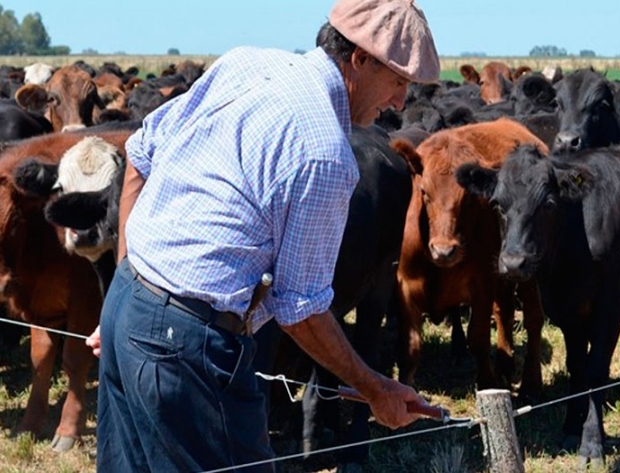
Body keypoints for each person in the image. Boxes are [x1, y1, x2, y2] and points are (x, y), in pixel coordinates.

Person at [86, 0, 440, 470]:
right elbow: (301, 310)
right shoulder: (325, 153)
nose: (400, 102)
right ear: (360, 59)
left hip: (128, 307)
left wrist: (129, 285)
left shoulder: (246, 61)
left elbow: (140, 155)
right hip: (188, 343)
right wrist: (377, 389)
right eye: (398, 82)